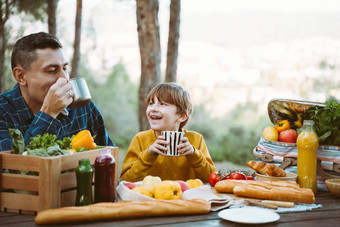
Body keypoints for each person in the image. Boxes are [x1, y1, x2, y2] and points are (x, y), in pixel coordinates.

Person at [0, 32, 114, 151]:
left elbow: (109, 154)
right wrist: (48, 114)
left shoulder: (81, 107)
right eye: (52, 70)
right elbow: (14, 166)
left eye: (65, 68)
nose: (65, 78)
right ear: (21, 76)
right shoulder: (3, 112)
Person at [120, 82, 216, 183]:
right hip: (149, 198)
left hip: (187, 198)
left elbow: (212, 179)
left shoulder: (196, 140)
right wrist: (149, 154)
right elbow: (126, 180)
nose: (153, 108)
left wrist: (193, 154)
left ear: (182, 116)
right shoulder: (140, 139)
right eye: (151, 103)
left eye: (163, 104)